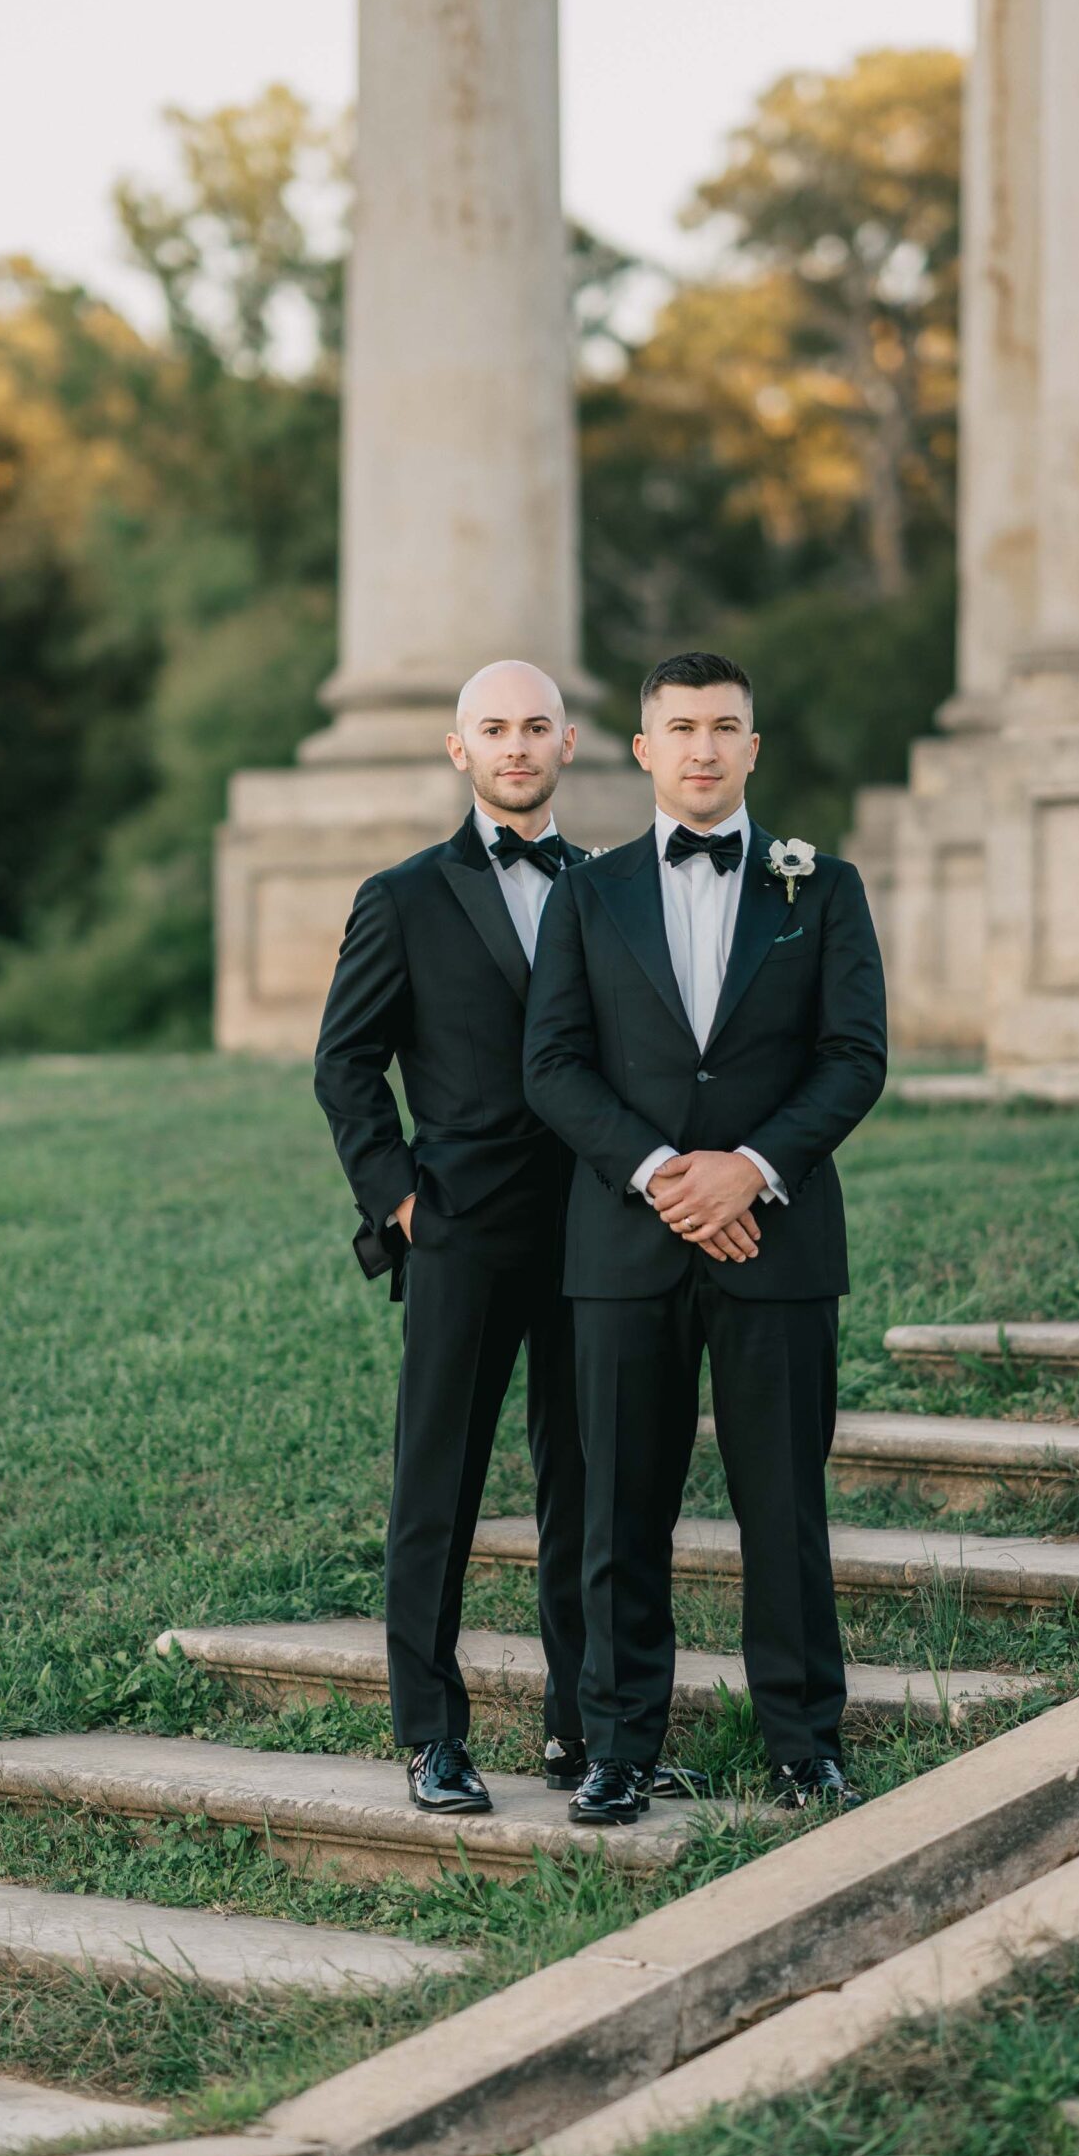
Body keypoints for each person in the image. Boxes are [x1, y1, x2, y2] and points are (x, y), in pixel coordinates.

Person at [523, 649, 888, 1826]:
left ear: (752, 747)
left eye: (725, 726)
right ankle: (618, 1747)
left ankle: (804, 1745)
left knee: (783, 1506)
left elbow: (854, 1056)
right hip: (624, 1249)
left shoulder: (821, 888)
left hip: (778, 1242)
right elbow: (552, 1064)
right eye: (680, 727)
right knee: (619, 1511)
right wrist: (662, 1176)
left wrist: (751, 1170)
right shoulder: (587, 894)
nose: (702, 747)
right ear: (643, 750)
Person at [312, 660, 590, 1816]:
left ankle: (586, 1731)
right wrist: (402, 1201)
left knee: (588, 1487)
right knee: (439, 1487)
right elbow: (345, 1062)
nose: (515, 745)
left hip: (594, 1232)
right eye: (494, 728)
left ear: (569, 744)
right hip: (459, 1230)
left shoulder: (612, 887)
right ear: (458, 748)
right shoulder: (403, 897)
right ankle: (431, 1734)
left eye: (535, 726)